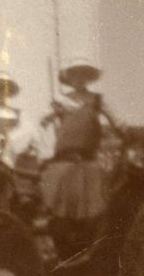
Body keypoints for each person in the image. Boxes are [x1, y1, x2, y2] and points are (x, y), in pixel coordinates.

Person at [39, 59, 119, 224]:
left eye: (83, 74)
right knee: (61, 214)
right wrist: (54, 111)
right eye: (75, 74)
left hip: (88, 164)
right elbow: (42, 121)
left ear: (89, 78)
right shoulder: (61, 101)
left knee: (92, 215)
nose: (79, 78)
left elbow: (117, 122)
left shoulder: (97, 100)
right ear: (69, 78)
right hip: (63, 164)